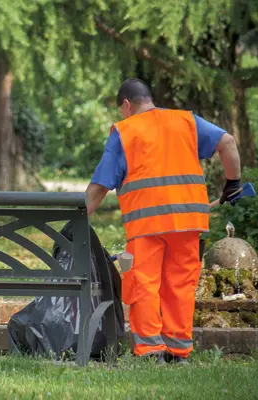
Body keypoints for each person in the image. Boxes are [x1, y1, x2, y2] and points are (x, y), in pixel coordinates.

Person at [86, 78, 242, 365]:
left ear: (127, 104)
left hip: (147, 225)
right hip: (188, 223)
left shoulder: (125, 130)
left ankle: (150, 352)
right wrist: (233, 183)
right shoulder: (186, 121)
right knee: (180, 285)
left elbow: (100, 186)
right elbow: (228, 142)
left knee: (144, 284)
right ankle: (178, 351)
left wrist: (77, 217)